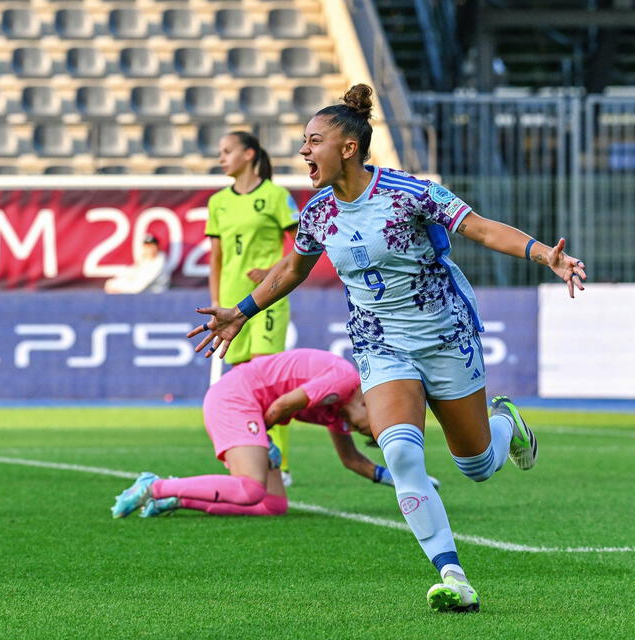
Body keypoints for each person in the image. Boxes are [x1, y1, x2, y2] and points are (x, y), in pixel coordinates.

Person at [187, 84, 587, 613]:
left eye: (314, 141)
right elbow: (290, 269)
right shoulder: (319, 211)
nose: (304, 151)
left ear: (347, 148)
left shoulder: (412, 193)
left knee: (477, 465)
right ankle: (453, 574)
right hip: (381, 347)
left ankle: (505, 425)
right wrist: (240, 310)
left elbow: (483, 230)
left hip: (445, 336)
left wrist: (545, 256)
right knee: (400, 451)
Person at [110, 349, 436, 519]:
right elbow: (282, 405)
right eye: (373, 427)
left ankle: (176, 499)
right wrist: (264, 441)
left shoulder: (339, 414)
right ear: (370, 405)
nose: (360, 430)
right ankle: (153, 486)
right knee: (251, 489)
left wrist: (404, 479)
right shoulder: (344, 377)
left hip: (254, 409)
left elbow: (351, 460)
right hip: (237, 398)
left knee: (273, 505)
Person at [206, 131, 300, 485]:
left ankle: (283, 464)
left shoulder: (276, 196)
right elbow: (216, 256)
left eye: (227, 151)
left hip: (268, 298)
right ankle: (257, 456)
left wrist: (273, 270)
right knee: (244, 381)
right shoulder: (218, 202)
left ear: (249, 154)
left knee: (269, 377)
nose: (221, 158)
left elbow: (300, 247)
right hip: (232, 303)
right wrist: (216, 301)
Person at [104, 234, 170, 294]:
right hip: (143, 295)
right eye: (147, 246)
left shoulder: (159, 263)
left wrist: (116, 287)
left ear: (157, 247)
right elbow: (131, 273)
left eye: (152, 246)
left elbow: (139, 287)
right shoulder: (144, 260)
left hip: (156, 297)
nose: (149, 249)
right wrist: (114, 282)